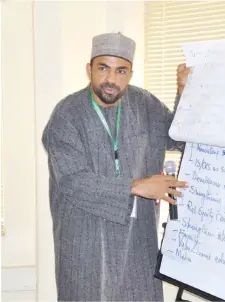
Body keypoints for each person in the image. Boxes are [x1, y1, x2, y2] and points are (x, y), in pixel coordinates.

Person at [42, 32, 191, 301]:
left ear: (130, 73)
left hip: (137, 243)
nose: (111, 80)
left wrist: (185, 93)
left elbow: (178, 136)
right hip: (85, 243)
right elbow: (73, 181)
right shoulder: (66, 115)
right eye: (103, 68)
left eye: (121, 71)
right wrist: (136, 186)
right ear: (89, 69)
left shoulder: (144, 104)